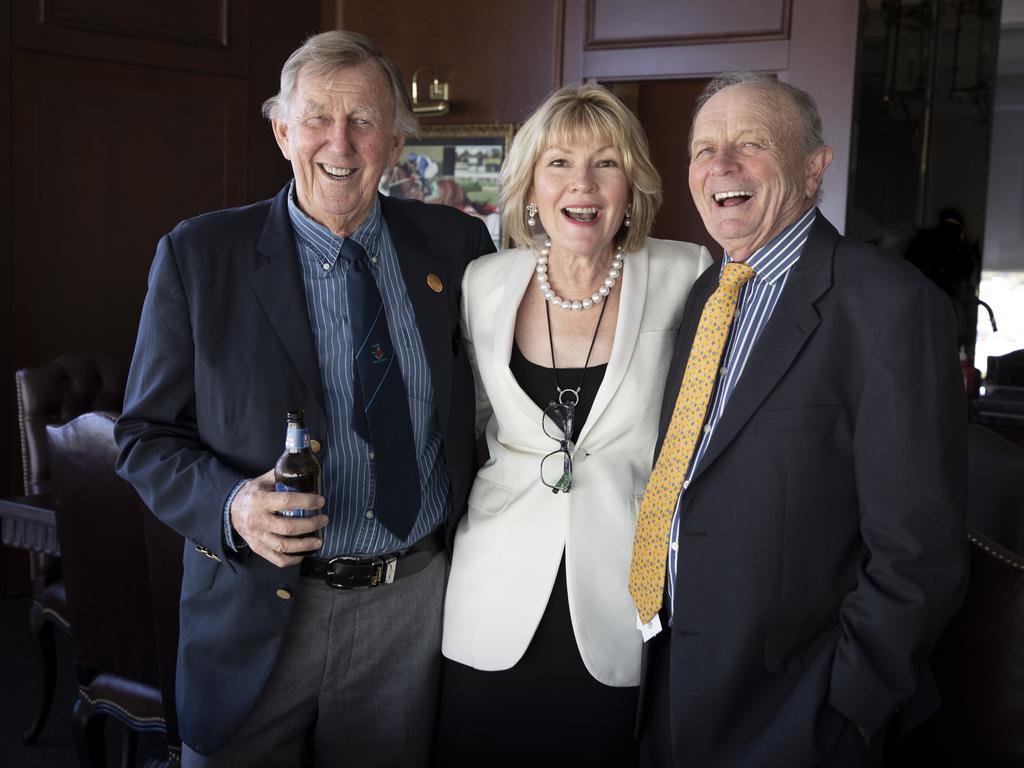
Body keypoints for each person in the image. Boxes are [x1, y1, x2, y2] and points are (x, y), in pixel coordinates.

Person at [114, 30, 494, 767]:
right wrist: (232, 507)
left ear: (395, 139)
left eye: (363, 120)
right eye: (317, 117)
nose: (340, 143)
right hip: (256, 610)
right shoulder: (199, 257)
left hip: (409, 610)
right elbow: (144, 439)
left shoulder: (457, 245)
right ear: (283, 130)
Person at [631, 71, 969, 767]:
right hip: (672, 684)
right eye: (703, 149)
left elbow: (918, 553)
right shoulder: (704, 295)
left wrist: (846, 708)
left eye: (749, 144)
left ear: (814, 169)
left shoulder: (890, 306)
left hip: (799, 711)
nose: (719, 166)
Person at [435, 83, 711, 765]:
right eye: (558, 163)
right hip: (490, 597)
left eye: (606, 163)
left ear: (633, 186)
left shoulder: (687, 273)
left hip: (624, 597)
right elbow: (453, 420)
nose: (581, 184)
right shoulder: (482, 284)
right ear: (530, 187)